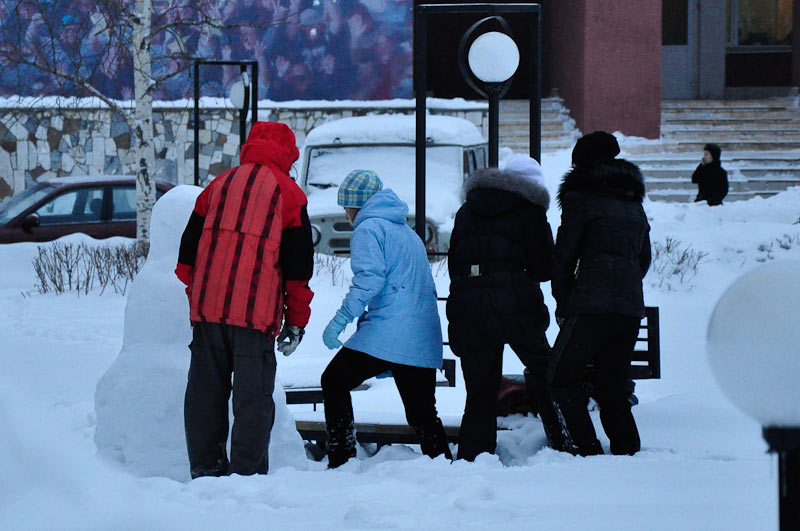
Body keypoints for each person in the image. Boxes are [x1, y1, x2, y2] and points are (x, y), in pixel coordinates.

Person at [175, 121, 314, 478]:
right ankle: (246, 479)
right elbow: (299, 272)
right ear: (289, 155)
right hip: (255, 316)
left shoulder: (216, 186)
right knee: (252, 401)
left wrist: (201, 294)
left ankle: (205, 473)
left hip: (207, 312)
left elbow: (185, 258)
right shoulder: (291, 196)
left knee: (205, 394)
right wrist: (296, 321)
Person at [320, 170, 452, 468]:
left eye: (346, 206)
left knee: (333, 381)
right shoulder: (406, 232)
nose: (345, 212)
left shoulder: (369, 229)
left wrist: (340, 320)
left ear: (357, 205)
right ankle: (444, 466)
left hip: (388, 332)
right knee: (422, 414)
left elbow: (369, 281)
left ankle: (341, 457)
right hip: (421, 335)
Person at [447, 154, 563, 460]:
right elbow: (542, 268)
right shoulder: (531, 212)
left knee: (480, 391)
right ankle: (565, 441)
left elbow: (454, 263)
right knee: (547, 374)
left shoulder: (467, 210)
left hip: (470, 307)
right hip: (517, 305)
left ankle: (474, 456)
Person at [548, 131, 651, 457]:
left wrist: (565, 303)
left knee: (558, 379)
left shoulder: (581, 199)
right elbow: (643, 258)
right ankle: (627, 451)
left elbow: (563, 258)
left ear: (581, 163)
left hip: (590, 307)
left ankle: (585, 449)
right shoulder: (632, 202)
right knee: (613, 387)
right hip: (629, 308)